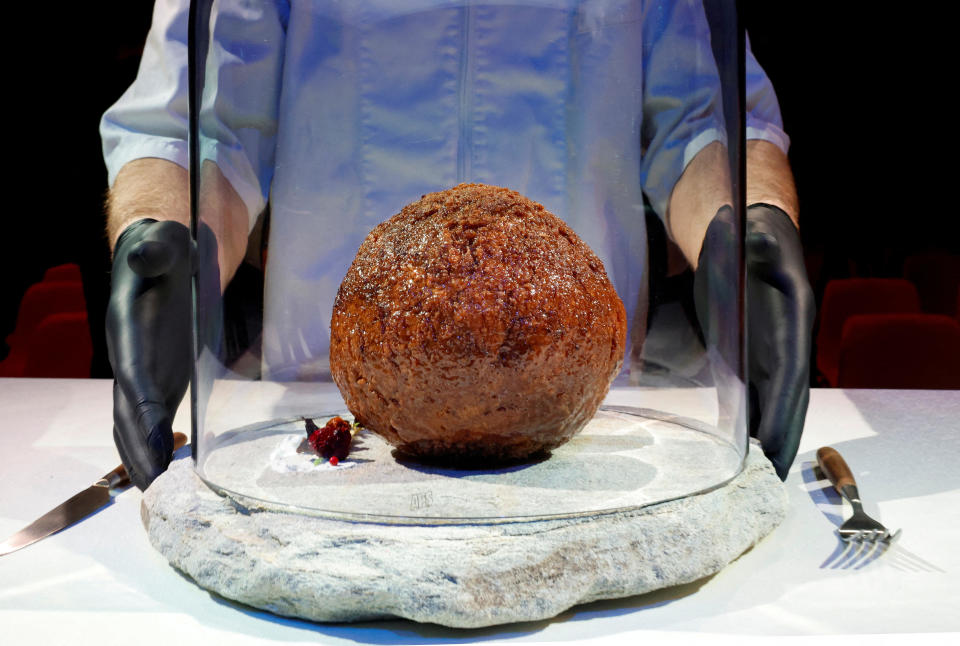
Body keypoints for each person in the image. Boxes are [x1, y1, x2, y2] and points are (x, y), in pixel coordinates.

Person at [102, 0, 813, 489]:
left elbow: (703, 118)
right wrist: (163, 237)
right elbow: (199, 123)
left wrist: (745, 225)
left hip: (587, 412)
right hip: (321, 405)